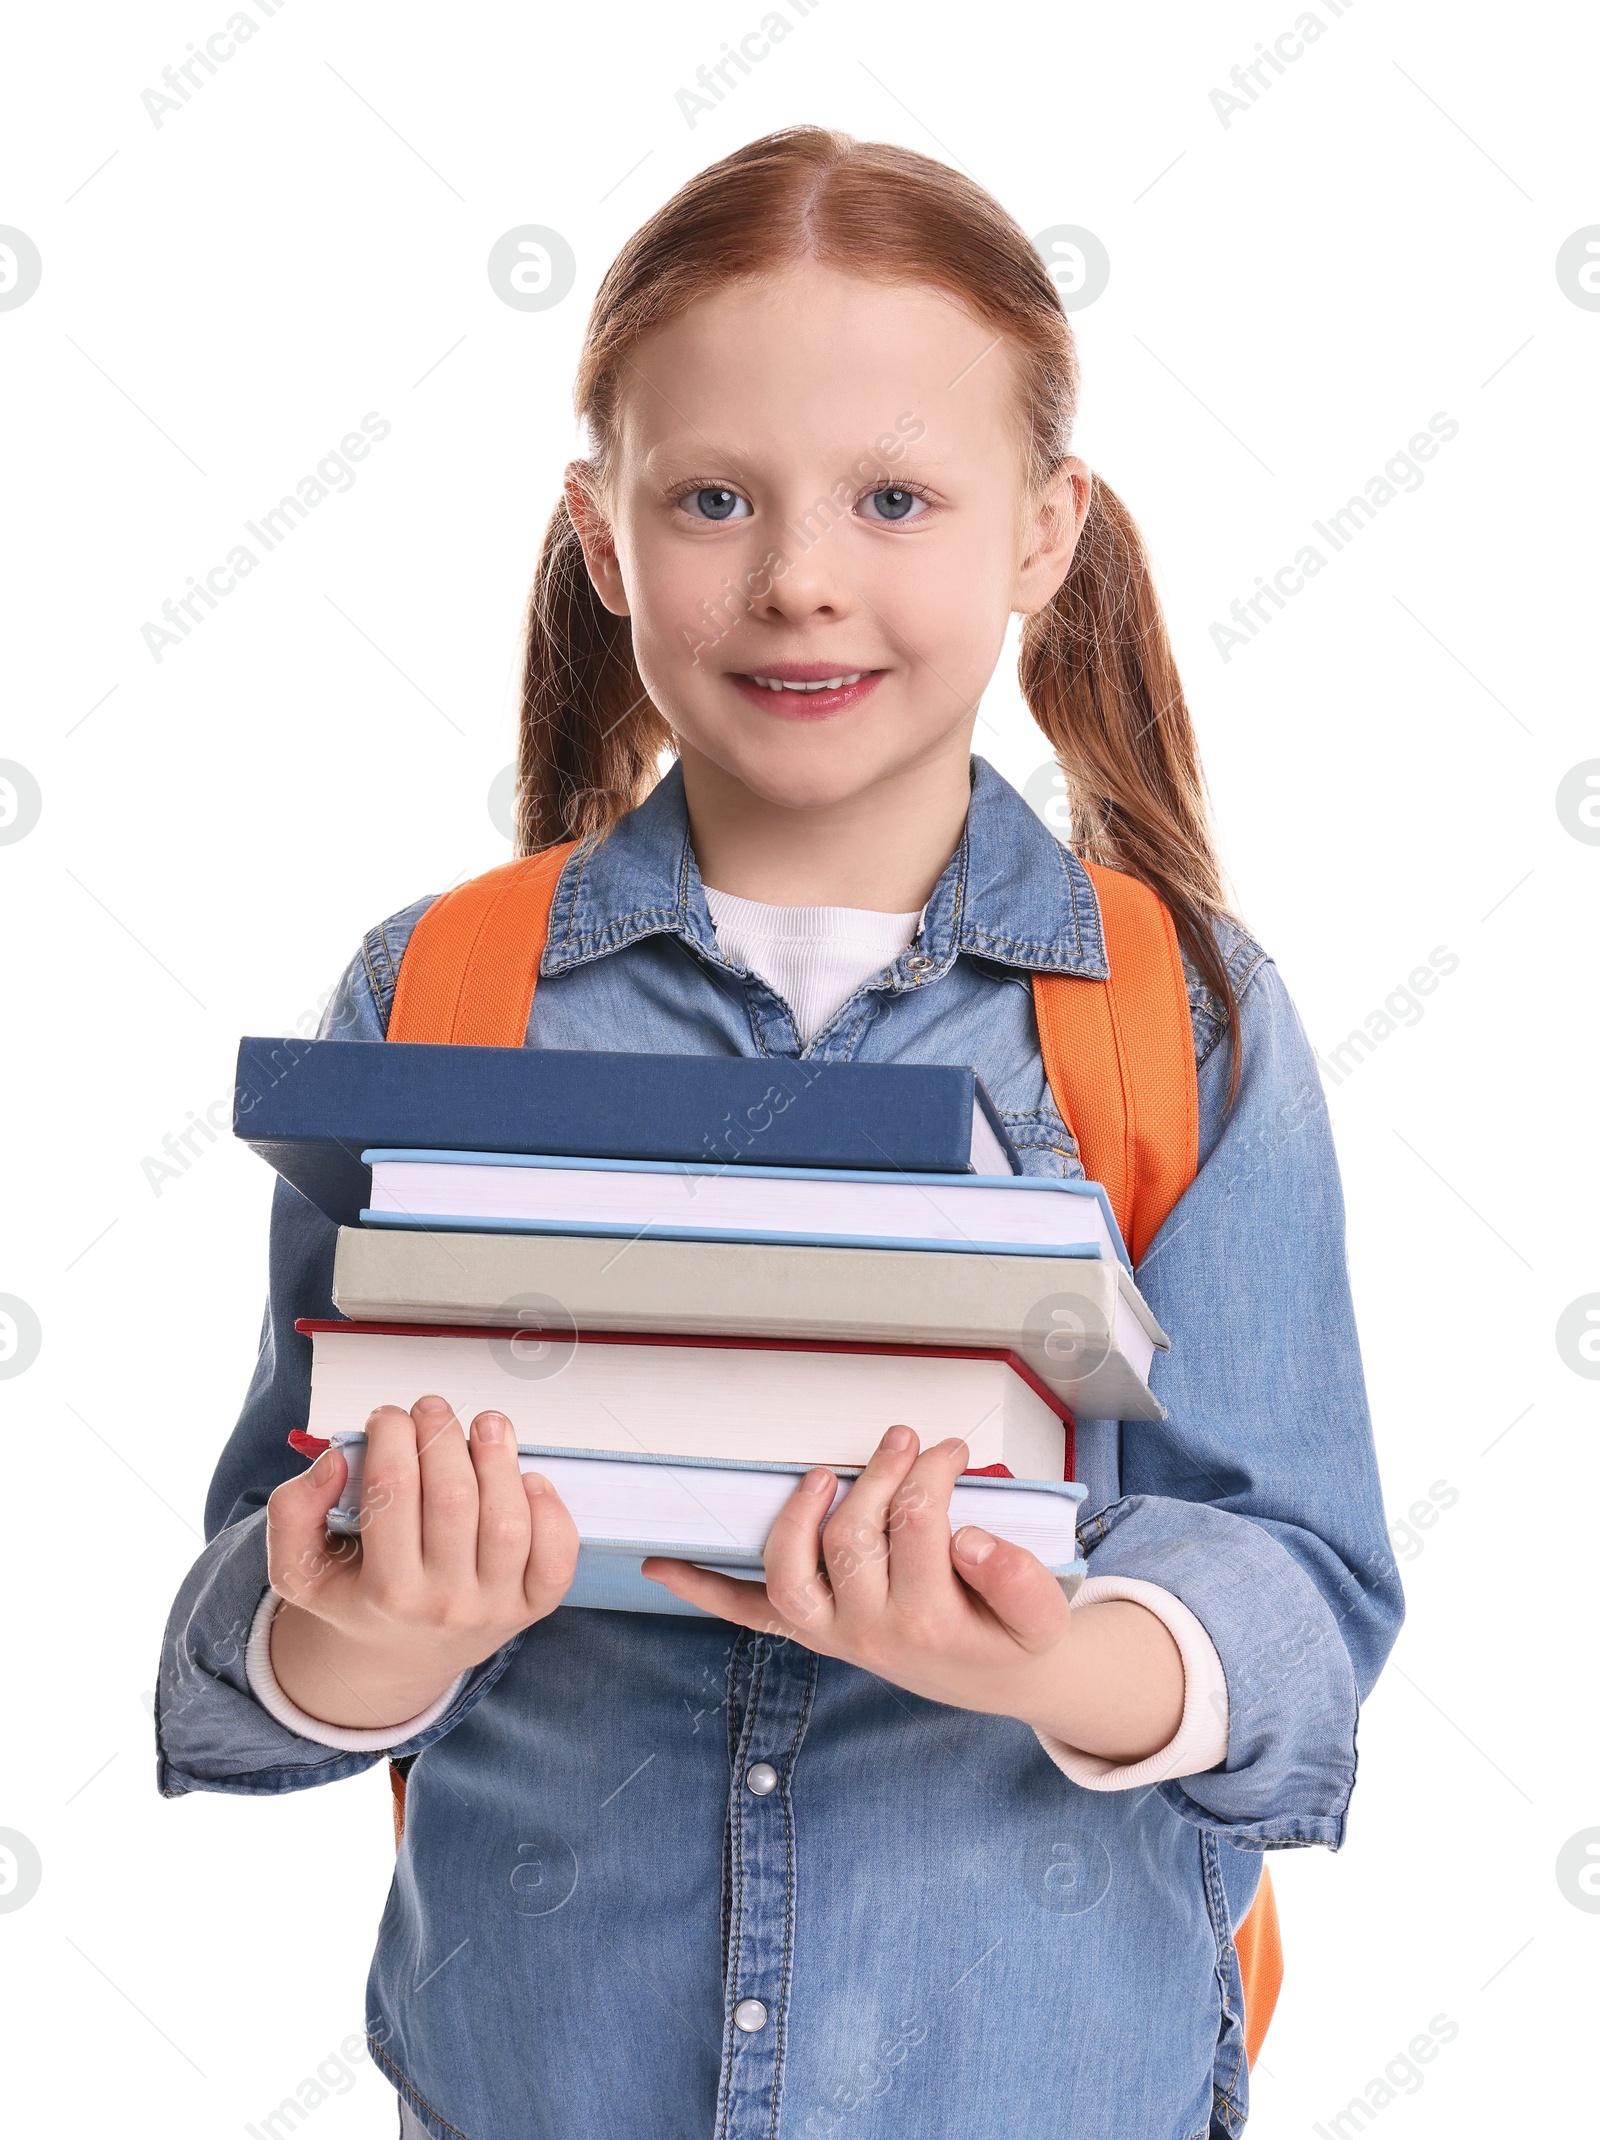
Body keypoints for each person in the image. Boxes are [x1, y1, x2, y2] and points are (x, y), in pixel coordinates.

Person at [157, 127, 1402, 2139]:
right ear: (602, 532)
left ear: (1039, 529)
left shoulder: (1177, 1017)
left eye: (893, 496)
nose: (799, 572)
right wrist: (367, 1621)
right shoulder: (443, 993)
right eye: (712, 496)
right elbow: (254, 1610)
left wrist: (1055, 1653)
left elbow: (1300, 1608)